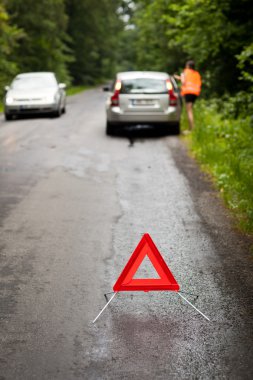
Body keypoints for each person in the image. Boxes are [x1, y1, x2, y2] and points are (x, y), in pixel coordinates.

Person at [174, 60, 201, 131]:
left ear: (188, 66)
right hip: (195, 93)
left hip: (188, 92)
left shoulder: (185, 72)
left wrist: (180, 79)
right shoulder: (196, 73)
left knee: (189, 111)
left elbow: (183, 81)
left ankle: (191, 128)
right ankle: (191, 128)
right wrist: (179, 77)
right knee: (190, 109)